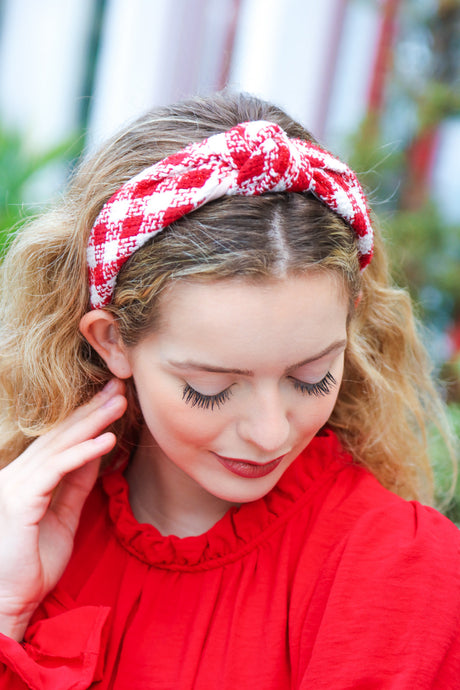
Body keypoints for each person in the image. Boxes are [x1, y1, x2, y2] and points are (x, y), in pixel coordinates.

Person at [0, 91, 458, 689]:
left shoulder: (398, 570)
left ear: (351, 320)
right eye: (211, 388)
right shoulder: (27, 533)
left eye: (311, 376)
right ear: (113, 341)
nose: (270, 432)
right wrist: (7, 611)